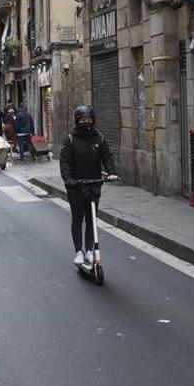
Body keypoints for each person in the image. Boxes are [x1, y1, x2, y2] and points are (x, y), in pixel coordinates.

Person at [60, 106, 119, 266]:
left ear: (93, 120)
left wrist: (112, 172)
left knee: (92, 219)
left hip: (94, 184)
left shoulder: (99, 138)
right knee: (78, 219)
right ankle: (79, 251)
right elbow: (65, 162)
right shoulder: (71, 139)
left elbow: (107, 156)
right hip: (76, 186)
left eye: (89, 119)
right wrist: (68, 179)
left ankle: (90, 250)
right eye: (83, 120)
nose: (86, 123)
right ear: (77, 121)